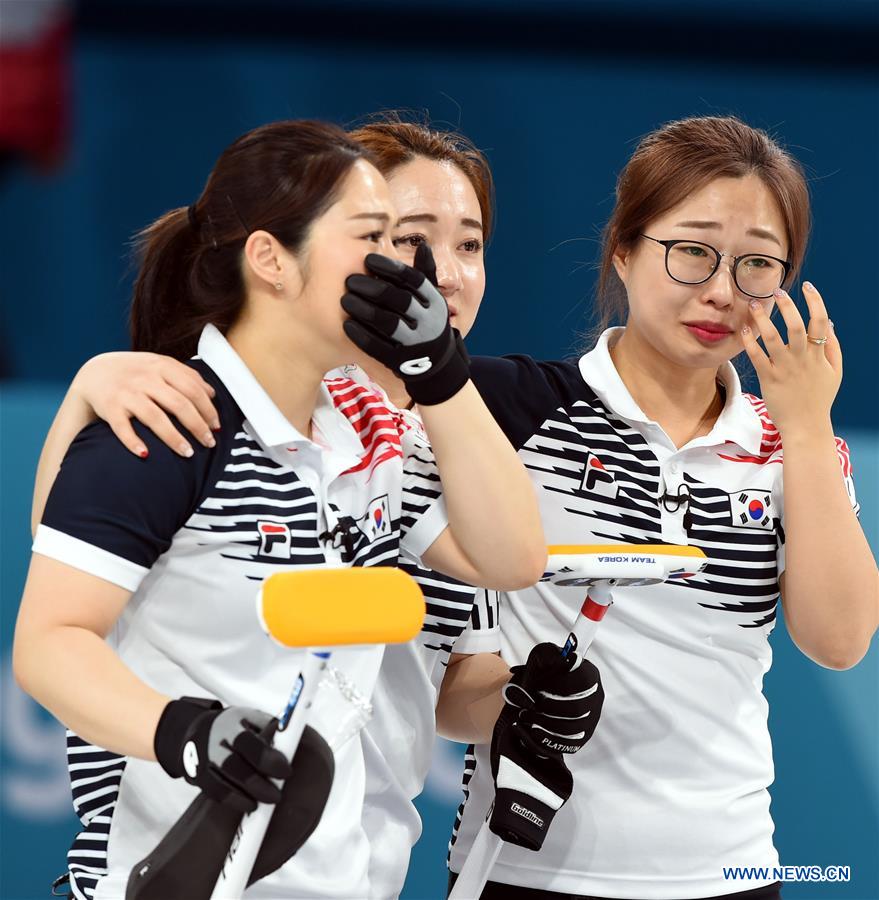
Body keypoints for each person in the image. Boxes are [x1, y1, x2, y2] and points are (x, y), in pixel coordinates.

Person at [33, 114, 877, 898]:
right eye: (393, 239)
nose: (432, 275)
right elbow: (57, 617)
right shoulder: (193, 417)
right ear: (619, 251)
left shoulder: (393, 444)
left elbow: (495, 590)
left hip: (373, 865)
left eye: (469, 243)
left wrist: (521, 699)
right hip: (208, 866)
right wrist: (87, 390)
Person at [13, 119, 550, 900]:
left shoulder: (369, 436)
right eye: (380, 238)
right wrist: (184, 734)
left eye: (460, 247)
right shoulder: (166, 426)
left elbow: (512, 560)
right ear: (270, 259)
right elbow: (49, 642)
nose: (415, 275)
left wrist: (439, 372)